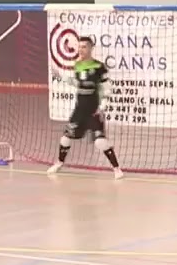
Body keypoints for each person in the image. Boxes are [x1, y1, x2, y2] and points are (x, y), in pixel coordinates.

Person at [46, 36, 124, 179]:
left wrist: (103, 107)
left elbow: (107, 88)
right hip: (79, 111)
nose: (81, 50)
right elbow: (77, 83)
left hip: (94, 111)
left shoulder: (99, 67)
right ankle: (59, 163)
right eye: (79, 47)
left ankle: (117, 169)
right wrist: (60, 77)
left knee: (100, 142)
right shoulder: (78, 65)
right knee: (65, 138)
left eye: (84, 47)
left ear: (90, 48)